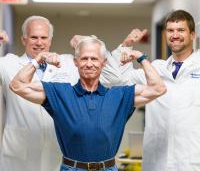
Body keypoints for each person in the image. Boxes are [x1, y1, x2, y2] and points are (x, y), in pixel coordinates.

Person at [9, 37, 166, 171]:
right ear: (75, 62)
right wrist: (38, 59)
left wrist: (141, 57)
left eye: (94, 59)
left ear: (104, 63)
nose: (89, 64)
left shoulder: (120, 95)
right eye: (84, 59)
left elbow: (158, 88)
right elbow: (18, 85)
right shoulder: (60, 92)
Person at [0, 16, 120, 171]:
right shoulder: (9, 63)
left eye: (44, 37)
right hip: (20, 151)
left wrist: (88, 41)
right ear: (24, 39)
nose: (39, 42)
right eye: (33, 37)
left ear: (50, 40)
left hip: (58, 150)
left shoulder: (68, 63)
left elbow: (114, 77)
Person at [116, 10, 200, 171]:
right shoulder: (155, 68)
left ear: (192, 35)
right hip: (156, 162)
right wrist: (126, 46)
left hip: (192, 161)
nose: (175, 35)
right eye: (170, 31)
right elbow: (119, 79)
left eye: (181, 30)